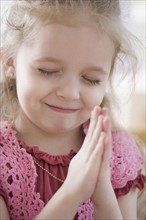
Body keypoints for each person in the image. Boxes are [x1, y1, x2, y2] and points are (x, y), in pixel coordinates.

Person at [0, 0, 145, 220]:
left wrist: (103, 196)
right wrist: (72, 194)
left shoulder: (118, 152)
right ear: (10, 62)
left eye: (91, 79)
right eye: (47, 71)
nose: (69, 93)